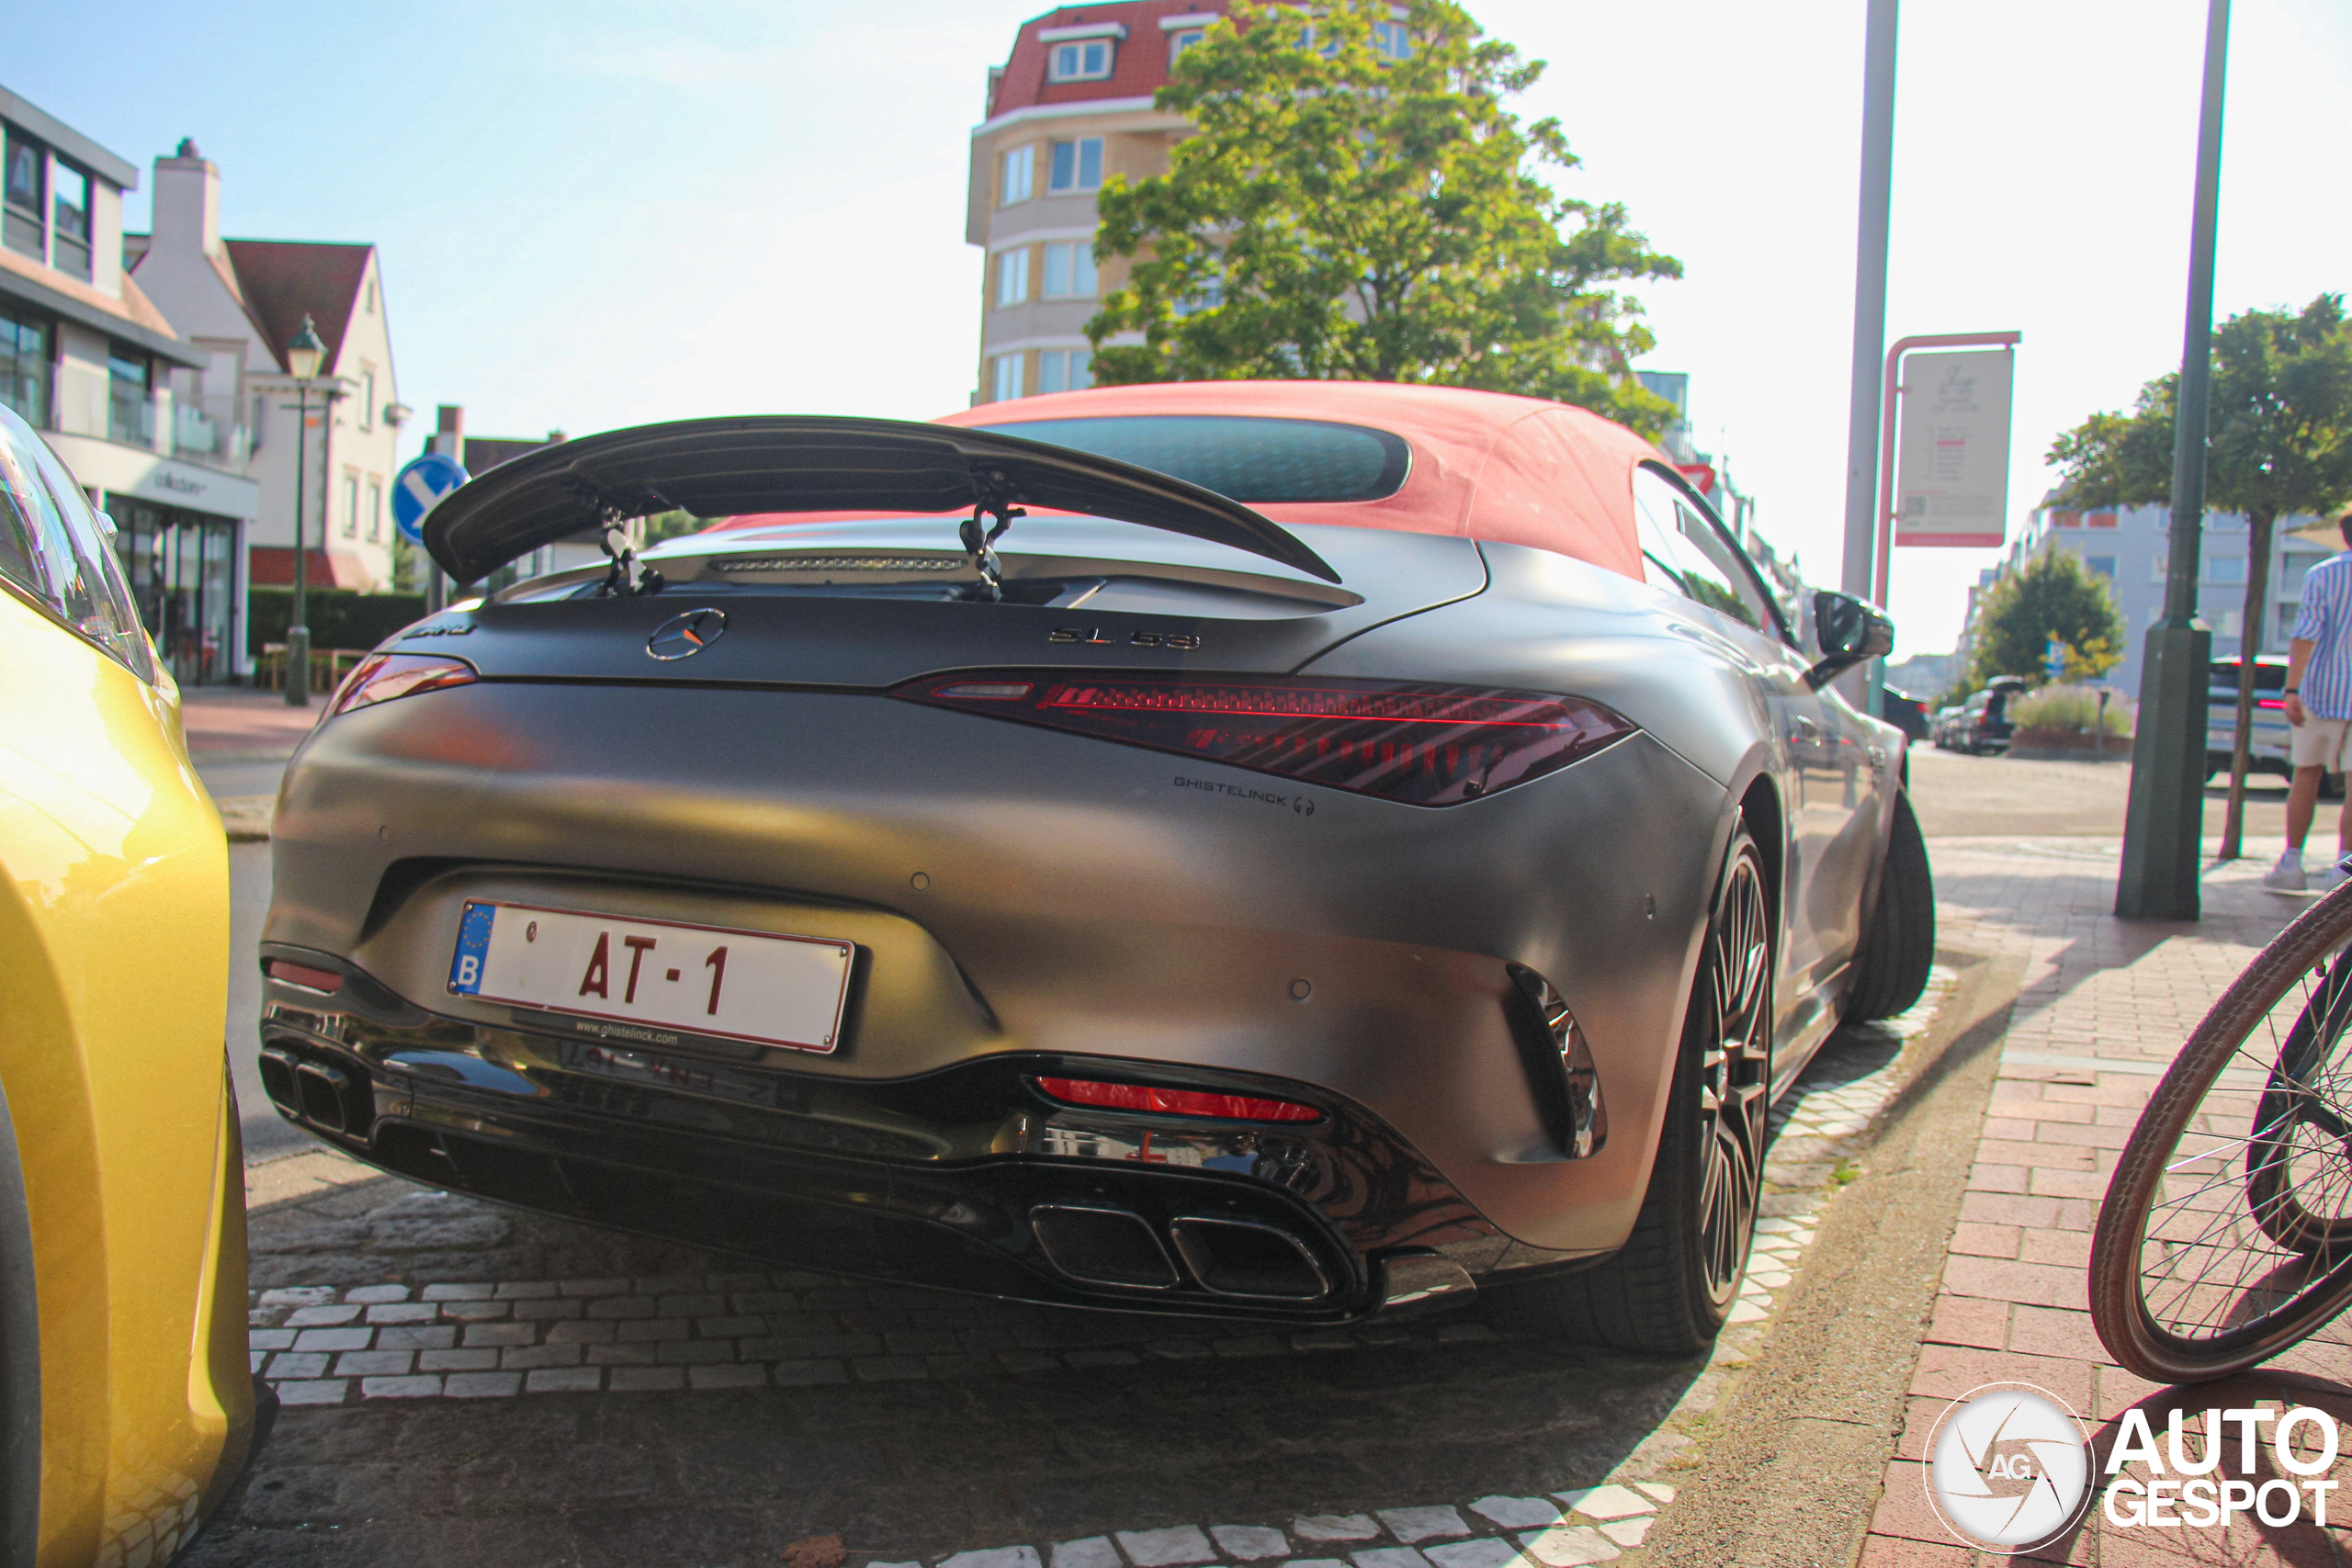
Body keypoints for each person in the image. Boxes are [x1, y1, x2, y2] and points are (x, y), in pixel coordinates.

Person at [2267, 512, 2352, 891]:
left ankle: (2292, 862)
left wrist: (2291, 689)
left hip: (2319, 692)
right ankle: (2342, 870)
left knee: (2305, 773)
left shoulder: (2322, 575)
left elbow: (2306, 634)